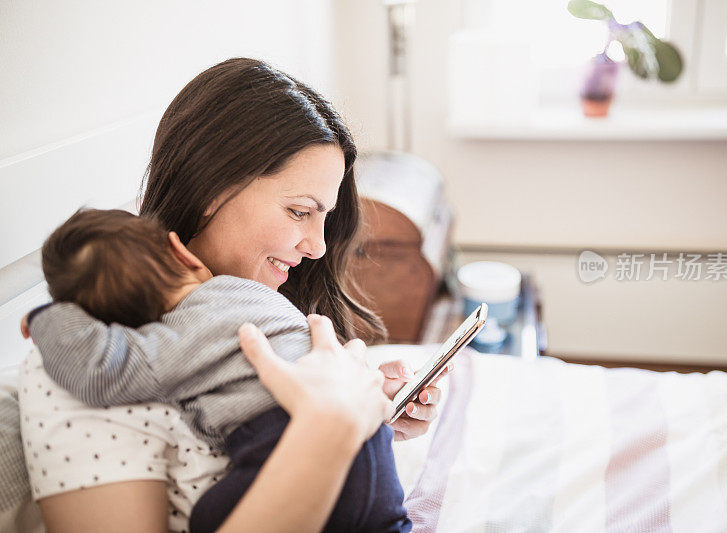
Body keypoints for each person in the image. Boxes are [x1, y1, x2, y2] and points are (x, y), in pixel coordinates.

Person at [18, 57, 446, 531]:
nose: (320, 246)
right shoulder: (83, 366)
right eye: (300, 211)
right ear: (211, 189)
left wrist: (369, 406)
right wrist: (333, 426)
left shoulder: (248, 311)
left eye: (324, 217)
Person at [24, 207, 412, 532]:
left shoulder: (168, 342)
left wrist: (49, 317)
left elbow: (99, 369)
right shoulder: (252, 291)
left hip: (284, 438)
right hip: (373, 449)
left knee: (209, 516)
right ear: (181, 252)